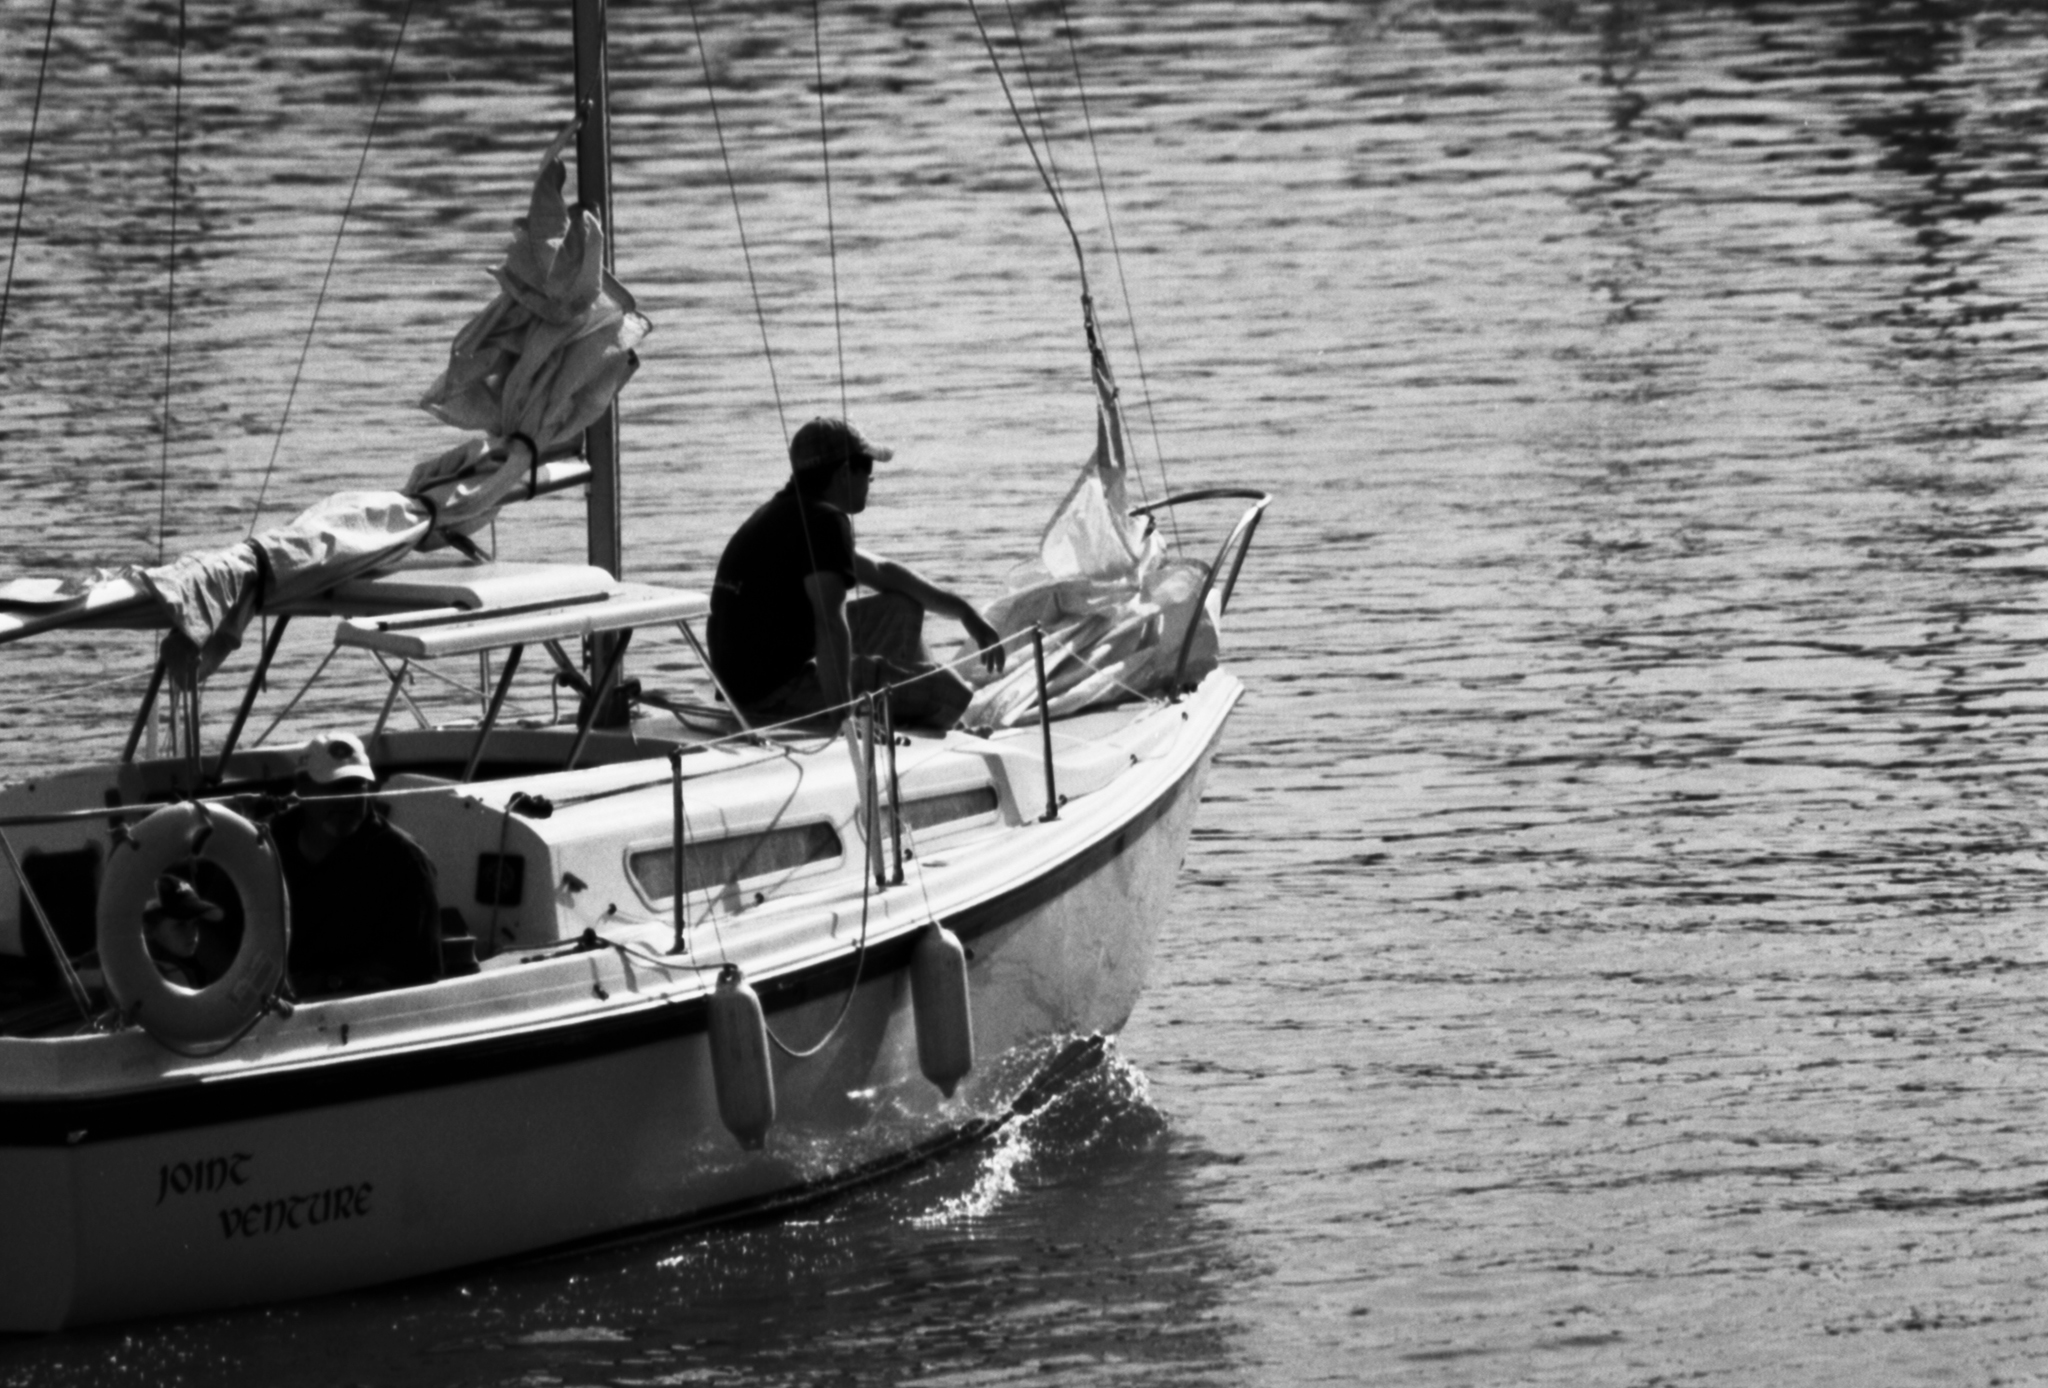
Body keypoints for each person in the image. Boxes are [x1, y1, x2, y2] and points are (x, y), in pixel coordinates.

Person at [707, 417, 1005, 728]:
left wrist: (964, 612)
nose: (870, 485)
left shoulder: (788, 511)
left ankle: (898, 707)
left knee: (900, 607)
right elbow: (829, 623)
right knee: (948, 690)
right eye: (869, 473)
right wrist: (844, 719)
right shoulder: (824, 522)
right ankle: (945, 726)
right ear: (845, 472)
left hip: (745, 685)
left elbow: (881, 571)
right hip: (774, 696)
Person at [273, 733, 444, 995]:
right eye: (334, 787)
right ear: (303, 789)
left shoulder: (404, 863)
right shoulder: (267, 843)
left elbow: (419, 972)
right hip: (264, 1009)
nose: (349, 800)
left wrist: (324, 983)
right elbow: (217, 930)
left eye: (357, 786)